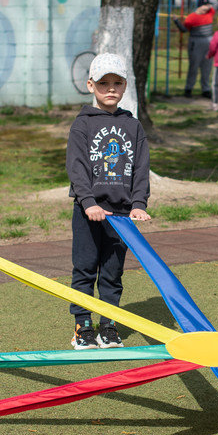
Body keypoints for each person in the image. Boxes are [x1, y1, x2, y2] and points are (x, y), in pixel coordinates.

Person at [66, 52, 151, 350]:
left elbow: (141, 168)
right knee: (86, 269)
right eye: (103, 83)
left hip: (121, 216)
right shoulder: (82, 125)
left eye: (117, 82)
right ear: (91, 85)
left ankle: (108, 324)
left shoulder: (134, 126)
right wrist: (88, 202)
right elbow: (76, 167)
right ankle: (83, 325)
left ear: (126, 86)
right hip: (88, 212)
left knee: (113, 273)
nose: (110, 88)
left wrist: (138, 203)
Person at [175, 0, 215, 98]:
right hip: (196, 42)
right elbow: (184, 29)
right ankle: (188, 89)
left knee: (207, 67)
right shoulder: (192, 17)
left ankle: (206, 89)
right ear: (199, 6)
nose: (207, 7)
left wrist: (208, 3)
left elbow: (215, 5)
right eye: (205, 5)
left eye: (208, 5)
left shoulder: (210, 13)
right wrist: (176, 22)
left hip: (209, 42)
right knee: (194, 66)